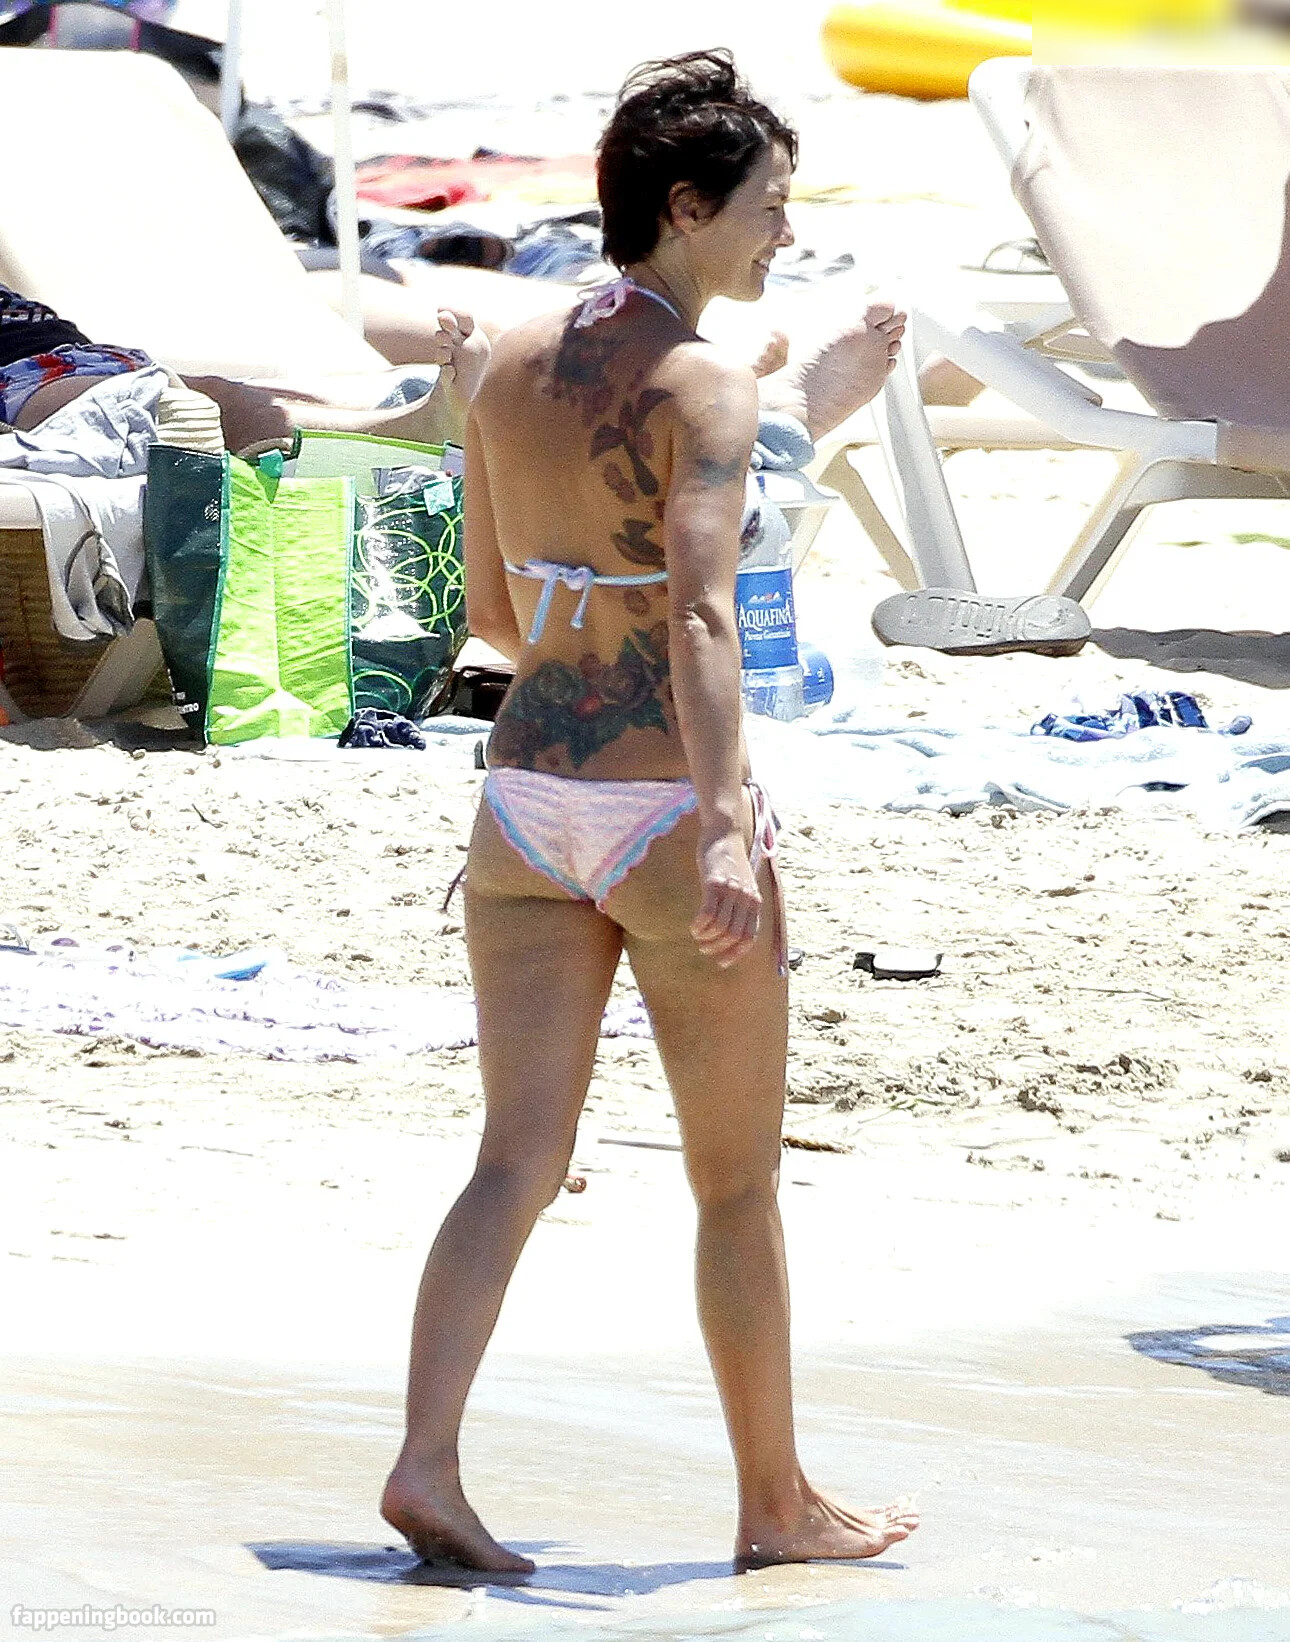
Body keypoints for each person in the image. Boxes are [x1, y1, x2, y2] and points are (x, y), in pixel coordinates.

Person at [379, 50, 919, 1575]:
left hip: (523, 800)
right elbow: (697, 611)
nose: (784, 232)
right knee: (734, 1181)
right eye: (768, 205)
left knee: (512, 1160)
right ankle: (774, 1503)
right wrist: (730, 817)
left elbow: (493, 613)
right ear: (686, 207)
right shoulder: (707, 382)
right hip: (663, 806)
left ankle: (425, 1461)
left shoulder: (507, 360)